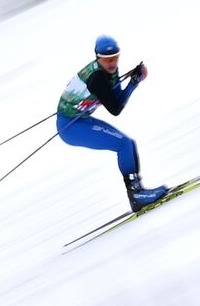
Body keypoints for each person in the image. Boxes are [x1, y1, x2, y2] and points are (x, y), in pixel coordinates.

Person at [56, 34, 168, 212]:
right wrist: (133, 83)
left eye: (115, 58)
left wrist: (133, 81)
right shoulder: (97, 78)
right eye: (107, 59)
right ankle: (136, 195)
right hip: (70, 127)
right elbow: (115, 108)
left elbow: (117, 99)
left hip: (79, 120)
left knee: (127, 144)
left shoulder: (109, 71)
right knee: (124, 145)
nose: (112, 63)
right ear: (98, 58)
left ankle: (137, 194)